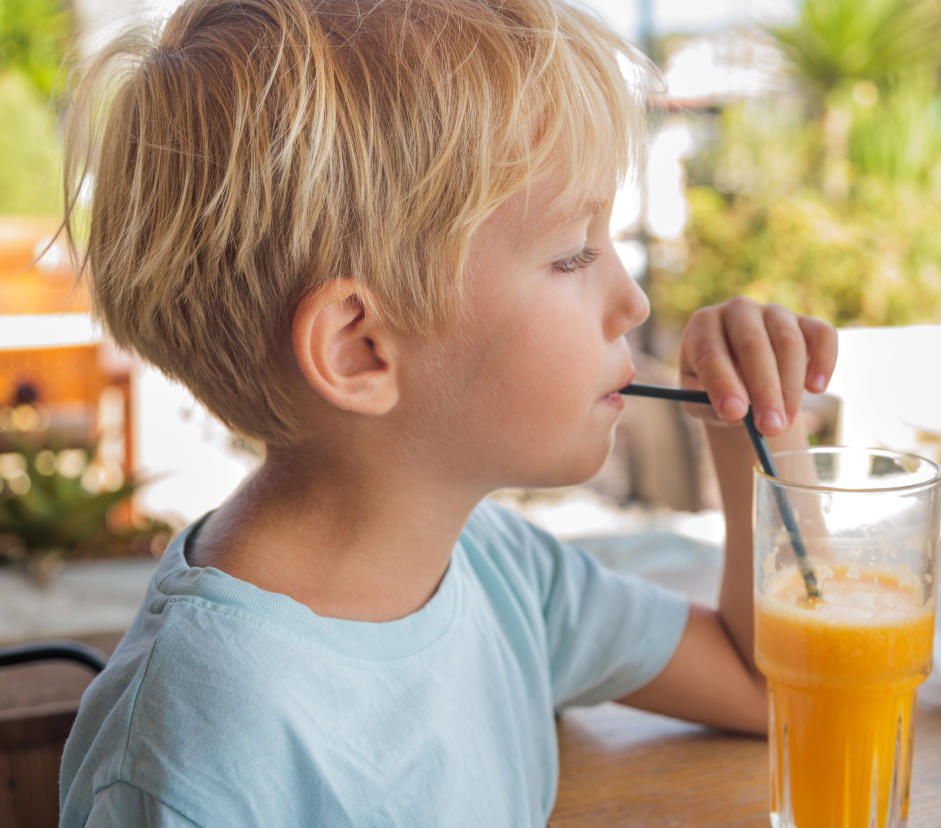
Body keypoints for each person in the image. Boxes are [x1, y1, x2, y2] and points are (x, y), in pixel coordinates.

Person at [57, 0, 838, 824]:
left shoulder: (498, 570)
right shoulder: (196, 761)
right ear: (359, 349)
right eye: (574, 253)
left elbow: (781, 687)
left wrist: (755, 419)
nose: (634, 302)